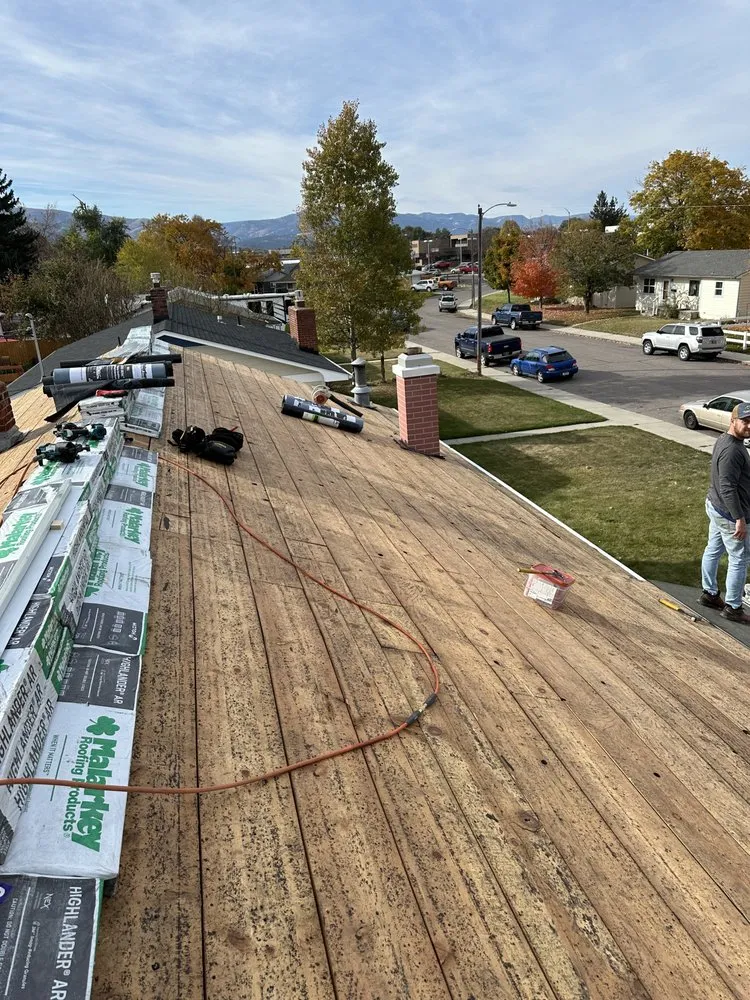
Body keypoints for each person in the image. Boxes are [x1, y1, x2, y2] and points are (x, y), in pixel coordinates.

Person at [700, 401, 750, 622]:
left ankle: (709, 594)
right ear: (733, 420)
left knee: (713, 549)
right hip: (730, 514)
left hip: (716, 506)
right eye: (745, 421)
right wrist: (739, 518)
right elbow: (728, 486)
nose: (749, 425)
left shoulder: (725, 439)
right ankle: (733, 607)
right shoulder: (732, 450)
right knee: (739, 558)